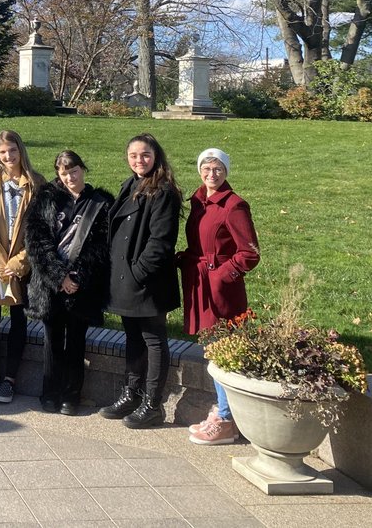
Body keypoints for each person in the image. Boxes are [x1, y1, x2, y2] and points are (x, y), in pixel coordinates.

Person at [179, 147, 260, 445]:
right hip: (199, 284)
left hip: (220, 291)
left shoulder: (234, 205)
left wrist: (222, 275)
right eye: (206, 168)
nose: (211, 174)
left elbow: (249, 254)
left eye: (218, 170)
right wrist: (186, 258)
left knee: (222, 352)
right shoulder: (199, 201)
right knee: (213, 350)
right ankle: (224, 410)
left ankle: (226, 420)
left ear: (226, 172)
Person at [101, 133, 182, 429]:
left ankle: (153, 404)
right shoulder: (130, 185)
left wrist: (138, 273)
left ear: (156, 156)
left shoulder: (163, 191)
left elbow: (161, 241)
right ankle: (131, 394)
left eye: (145, 155)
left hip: (148, 282)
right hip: (125, 279)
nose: (139, 160)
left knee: (153, 340)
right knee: (133, 338)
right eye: (133, 155)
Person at [25, 150, 113, 415]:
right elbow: (36, 241)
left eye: (74, 171)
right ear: (58, 175)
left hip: (81, 288)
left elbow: (101, 245)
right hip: (51, 286)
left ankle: (71, 395)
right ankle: (49, 392)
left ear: (82, 169)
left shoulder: (101, 203)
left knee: (76, 341)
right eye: (64, 174)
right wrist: (58, 276)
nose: (70, 177)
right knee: (52, 341)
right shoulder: (46, 199)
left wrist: (76, 277)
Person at [0, 129, 45, 405]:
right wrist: (1, 265)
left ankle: (9, 379)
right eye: (3, 152)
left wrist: (19, 263)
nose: (8, 156)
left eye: (12, 150)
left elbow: (39, 229)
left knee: (18, 320)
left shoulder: (36, 183)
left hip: (21, 265)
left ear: (20, 150)